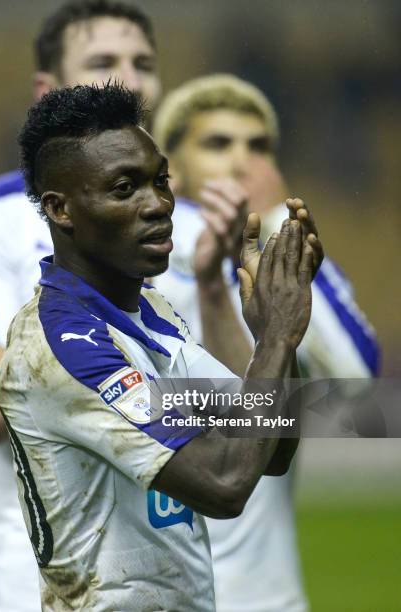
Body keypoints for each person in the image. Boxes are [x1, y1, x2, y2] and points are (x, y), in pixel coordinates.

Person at [0, 81, 322, 610]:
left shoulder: (152, 313)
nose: (159, 205)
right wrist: (277, 339)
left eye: (160, 180)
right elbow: (224, 483)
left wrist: (272, 340)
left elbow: (271, 446)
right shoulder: (63, 347)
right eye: (125, 189)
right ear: (61, 210)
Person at [0, 2, 161, 610]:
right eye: (103, 63)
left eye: (142, 63)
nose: (128, 80)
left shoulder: (177, 224)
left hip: (171, 563)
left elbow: (255, 410)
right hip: (37, 574)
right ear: (46, 90)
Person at [151, 74, 380, 611]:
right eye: (218, 143)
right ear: (173, 170)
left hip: (263, 597)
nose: (241, 162)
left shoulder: (277, 275)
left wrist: (276, 220)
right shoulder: (133, 271)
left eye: (258, 147)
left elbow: (356, 379)